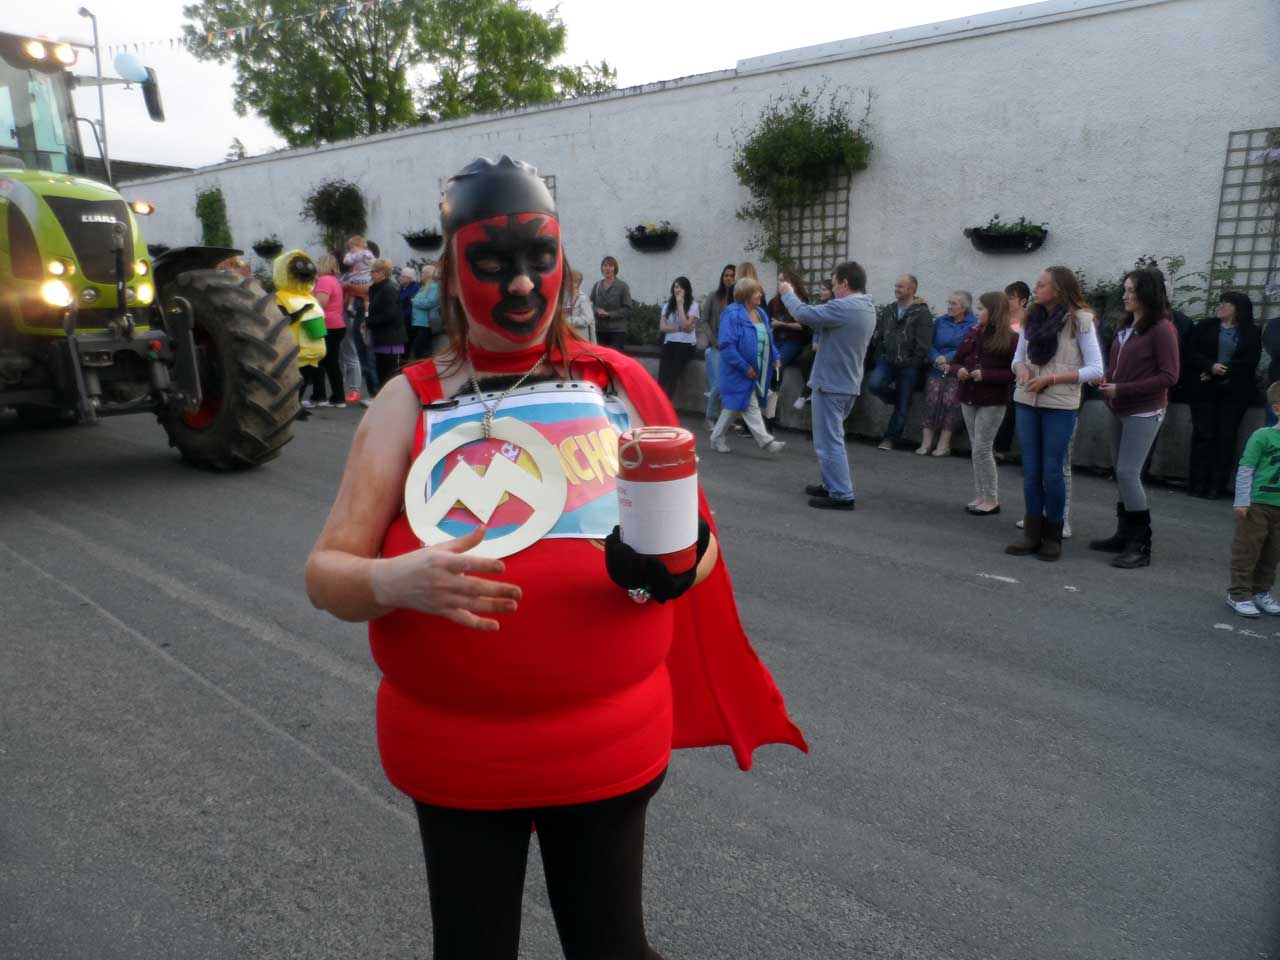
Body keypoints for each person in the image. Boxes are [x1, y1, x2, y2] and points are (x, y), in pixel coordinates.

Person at [303, 155, 806, 960]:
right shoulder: (410, 401)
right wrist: (395, 580)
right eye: (494, 265)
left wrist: (674, 566)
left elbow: (700, 550)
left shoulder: (620, 385)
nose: (525, 286)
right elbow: (326, 573)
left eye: (541, 260)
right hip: (459, 753)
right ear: (454, 272)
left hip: (605, 744)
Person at [1005, 267, 1104, 561]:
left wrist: (1052, 379)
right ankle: (1031, 534)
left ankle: (1053, 535)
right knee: (1031, 471)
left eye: (1042, 284)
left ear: (1059, 289)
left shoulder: (1081, 320)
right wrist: (1020, 369)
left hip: (1060, 405)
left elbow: (1096, 370)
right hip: (1026, 400)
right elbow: (1017, 359)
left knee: (1052, 471)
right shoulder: (1030, 318)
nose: (1036, 288)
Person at [1087, 269, 1181, 568]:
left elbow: (1169, 376)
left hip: (1144, 409)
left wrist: (1122, 387)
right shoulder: (1127, 325)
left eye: (1131, 290)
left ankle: (1141, 545)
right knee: (1121, 471)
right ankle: (1124, 534)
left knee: (1128, 472)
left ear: (1148, 293)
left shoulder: (1162, 328)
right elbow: (1121, 366)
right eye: (1125, 289)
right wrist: (1106, 380)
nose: (1125, 295)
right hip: (1118, 406)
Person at [780, 261, 877, 511]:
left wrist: (787, 293)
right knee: (830, 438)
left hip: (832, 384)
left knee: (829, 441)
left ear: (845, 283)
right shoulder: (866, 307)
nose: (832, 289)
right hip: (845, 383)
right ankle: (831, 484)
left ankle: (842, 494)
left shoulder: (845, 307)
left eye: (834, 283)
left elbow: (803, 314)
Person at [1185, 291, 1261, 498]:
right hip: (1204, 390)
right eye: (1221, 303)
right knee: (1203, 434)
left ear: (1239, 309)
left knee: (1225, 437)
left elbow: (1249, 361)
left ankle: (1216, 485)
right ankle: (1196, 482)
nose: (1222, 307)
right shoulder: (1205, 326)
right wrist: (1210, 366)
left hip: (1234, 392)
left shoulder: (1251, 332)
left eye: (1227, 304)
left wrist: (1220, 371)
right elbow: (1190, 353)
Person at [950, 291, 1018, 515]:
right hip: (969, 395)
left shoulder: (1010, 338)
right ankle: (981, 494)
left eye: (982, 308)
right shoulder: (973, 332)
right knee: (976, 447)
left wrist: (986, 375)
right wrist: (958, 370)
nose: (978, 312)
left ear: (994, 311)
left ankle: (991, 498)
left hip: (992, 399)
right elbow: (957, 361)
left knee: (982, 448)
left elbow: (1014, 372)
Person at [709, 277, 785, 455]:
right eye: (757, 291)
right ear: (746, 295)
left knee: (736, 405)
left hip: (757, 368)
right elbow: (727, 346)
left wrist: (776, 356)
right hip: (737, 370)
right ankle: (766, 442)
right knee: (745, 403)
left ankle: (716, 437)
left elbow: (767, 339)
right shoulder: (732, 313)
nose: (760, 294)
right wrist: (744, 367)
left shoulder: (761, 313)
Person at [1226, 381, 1280, 617]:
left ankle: (1261, 591)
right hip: (1257, 505)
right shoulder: (1262, 436)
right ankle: (1238, 594)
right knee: (1247, 550)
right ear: (1277, 409)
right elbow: (1246, 467)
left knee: (1272, 554)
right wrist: (1242, 500)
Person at [867, 274, 932, 451]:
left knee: (903, 405)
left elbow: (924, 343)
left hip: (909, 365)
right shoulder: (889, 309)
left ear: (911, 289)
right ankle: (898, 398)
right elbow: (879, 334)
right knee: (874, 384)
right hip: (887, 361)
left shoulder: (922, 313)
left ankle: (889, 438)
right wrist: (879, 354)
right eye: (896, 286)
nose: (896, 289)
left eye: (900, 287)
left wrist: (914, 362)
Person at [918, 291, 977, 457]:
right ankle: (926, 443)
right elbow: (928, 343)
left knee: (951, 403)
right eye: (949, 303)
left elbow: (969, 348)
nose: (949, 306)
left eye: (954, 304)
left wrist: (948, 358)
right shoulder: (940, 321)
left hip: (959, 369)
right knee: (931, 400)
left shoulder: (973, 325)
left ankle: (944, 444)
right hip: (937, 366)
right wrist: (937, 358)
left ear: (964, 307)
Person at [993, 280, 1029, 461]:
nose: (1007, 301)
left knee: (1013, 412)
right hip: (1000, 367)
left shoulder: (1029, 320)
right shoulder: (1001, 319)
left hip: (1020, 371)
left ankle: (1004, 450)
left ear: (1023, 301)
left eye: (1012, 298)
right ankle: (995, 449)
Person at [699, 264, 736, 431]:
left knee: (728, 385)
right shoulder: (714, 296)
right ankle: (710, 417)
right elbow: (703, 319)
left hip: (733, 346)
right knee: (719, 384)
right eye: (726, 275)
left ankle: (725, 420)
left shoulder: (738, 298)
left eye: (731, 276)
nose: (728, 278)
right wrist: (712, 339)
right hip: (716, 345)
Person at [365, 257, 407, 389]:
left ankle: (389, 400)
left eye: (373, 271)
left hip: (390, 336)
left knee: (388, 373)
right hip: (381, 335)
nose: (370, 274)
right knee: (381, 370)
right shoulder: (377, 288)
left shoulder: (388, 289)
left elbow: (390, 314)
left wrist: (369, 321)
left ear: (382, 272)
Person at [313, 253, 348, 408]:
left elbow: (320, 303)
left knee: (319, 361)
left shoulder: (324, 280)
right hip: (337, 324)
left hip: (326, 324)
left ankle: (320, 396)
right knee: (332, 362)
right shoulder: (334, 280)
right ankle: (338, 397)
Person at [767, 269, 812, 385]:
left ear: (791, 283)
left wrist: (782, 324)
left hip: (793, 340)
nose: (779, 283)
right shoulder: (774, 302)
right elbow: (768, 321)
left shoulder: (801, 301)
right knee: (765, 363)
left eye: (783, 280)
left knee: (777, 364)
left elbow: (804, 326)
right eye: (779, 280)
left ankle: (774, 392)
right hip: (776, 339)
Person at [657, 276, 700, 400]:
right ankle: (656, 404)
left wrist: (680, 305)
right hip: (669, 342)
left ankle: (666, 405)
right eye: (676, 287)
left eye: (681, 287)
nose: (678, 290)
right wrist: (680, 329)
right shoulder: (667, 306)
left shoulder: (693, 306)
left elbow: (686, 324)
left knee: (673, 374)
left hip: (686, 344)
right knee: (662, 375)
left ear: (687, 290)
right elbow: (662, 327)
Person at [590, 255, 632, 350]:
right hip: (599, 329)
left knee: (614, 361)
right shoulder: (597, 285)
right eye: (605, 266)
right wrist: (597, 310)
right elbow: (591, 304)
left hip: (616, 331)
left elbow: (627, 309)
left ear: (615, 268)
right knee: (600, 360)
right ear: (602, 268)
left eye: (610, 266)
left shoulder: (622, 286)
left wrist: (609, 314)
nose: (607, 268)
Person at [410, 264, 442, 360]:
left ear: (428, 274)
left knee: (421, 350)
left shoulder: (434, 287)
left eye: (423, 272)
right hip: (417, 323)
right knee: (418, 350)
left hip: (426, 323)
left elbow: (430, 302)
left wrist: (415, 302)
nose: (421, 274)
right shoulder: (423, 287)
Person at [564, 269, 596, 343]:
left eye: (568, 281)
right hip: (568, 338)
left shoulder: (583, 299)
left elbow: (587, 319)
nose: (565, 283)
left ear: (576, 283)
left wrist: (568, 320)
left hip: (581, 340)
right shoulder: (566, 298)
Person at [398, 266, 422, 342]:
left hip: (410, 320)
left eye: (403, 276)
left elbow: (410, 304)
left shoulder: (415, 288)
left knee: (407, 342)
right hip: (402, 319)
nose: (400, 278)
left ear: (409, 278)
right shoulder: (402, 287)